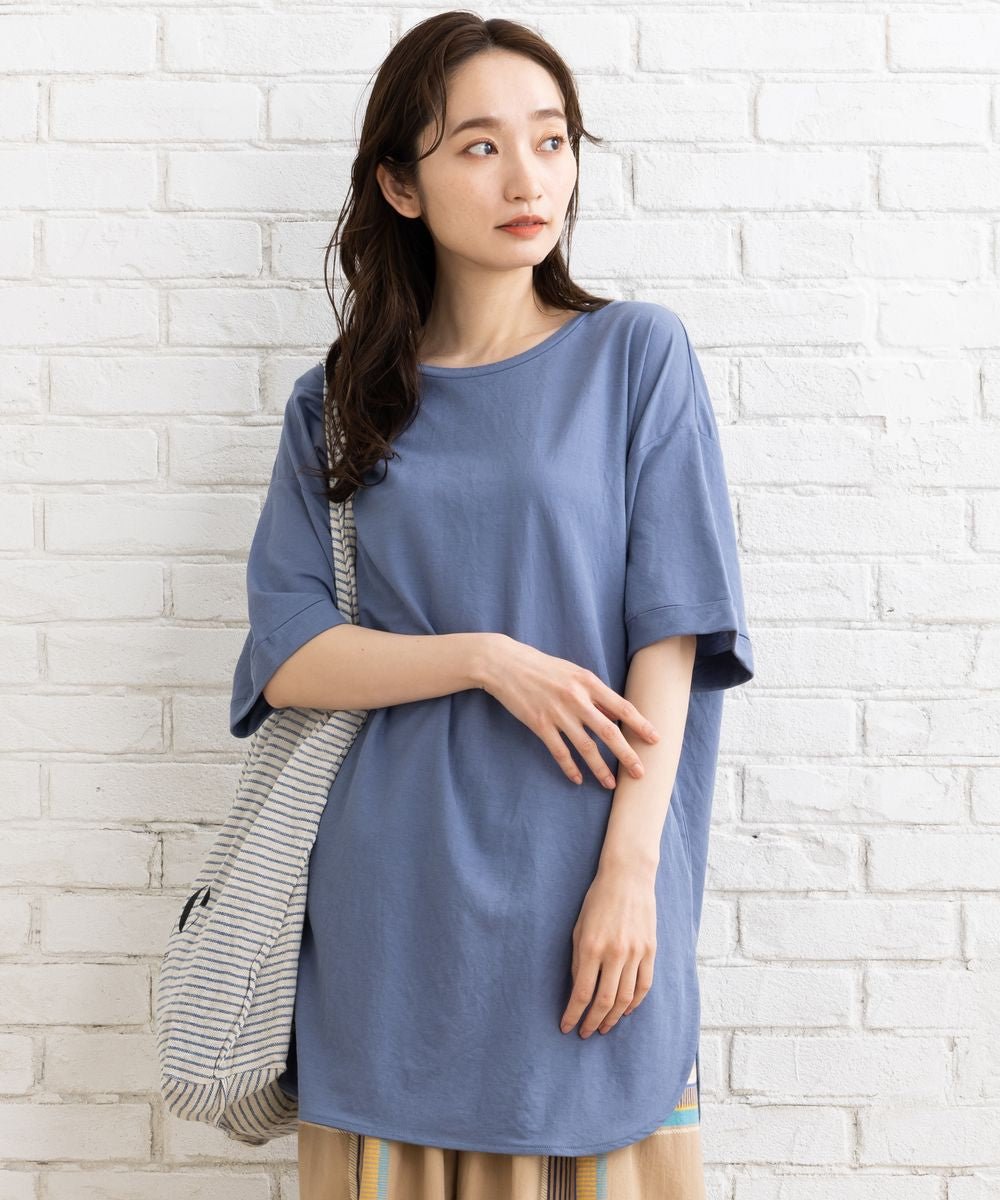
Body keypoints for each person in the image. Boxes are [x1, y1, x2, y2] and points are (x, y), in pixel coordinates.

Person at [229, 12, 755, 1199]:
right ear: (399, 185)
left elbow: (672, 629)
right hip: (389, 914)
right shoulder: (337, 404)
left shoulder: (636, 356)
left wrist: (631, 874)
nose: (529, 179)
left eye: (551, 140)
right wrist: (484, 658)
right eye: (479, 146)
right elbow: (290, 652)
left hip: (586, 901)